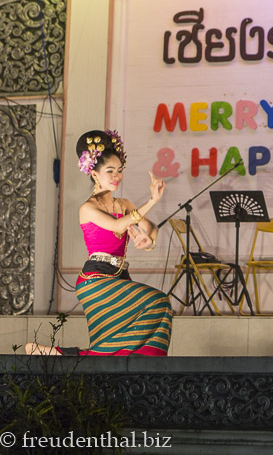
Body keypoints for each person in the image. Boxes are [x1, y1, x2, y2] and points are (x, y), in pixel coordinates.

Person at [25, 130, 173, 356]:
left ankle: (58, 354)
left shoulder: (124, 204)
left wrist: (148, 239)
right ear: (94, 174)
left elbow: (151, 227)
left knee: (118, 341)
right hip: (96, 280)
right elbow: (117, 226)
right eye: (110, 171)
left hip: (120, 277)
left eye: (120, 170)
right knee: (158, 302)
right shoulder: (88, 208)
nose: (116, 176)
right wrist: (152, 201)